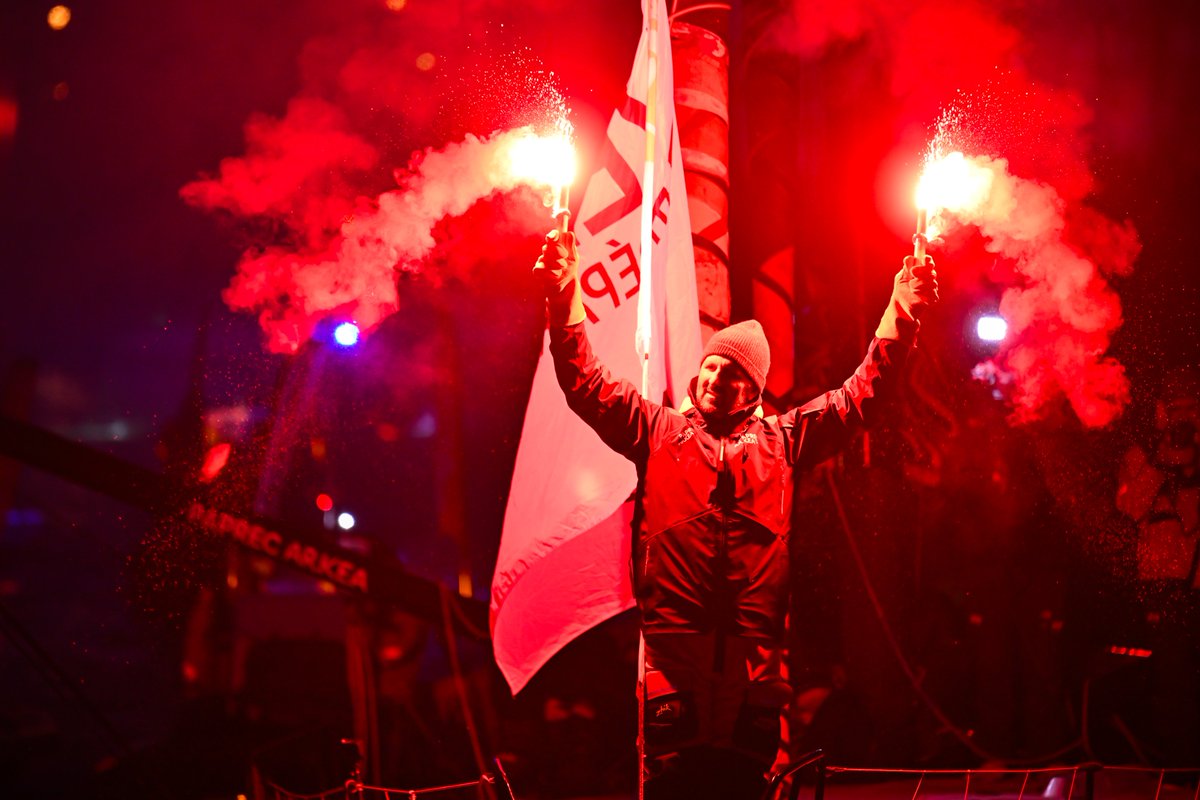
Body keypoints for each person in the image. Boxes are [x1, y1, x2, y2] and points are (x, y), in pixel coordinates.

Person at [534, 228, 938, 798]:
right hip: (675, 645)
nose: (718, 379)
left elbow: (862, 394)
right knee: (674, 782)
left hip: (755, 653)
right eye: (713, 367)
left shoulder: (785, 439)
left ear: (754, 391)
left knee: (746, 784)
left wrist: (903, 309)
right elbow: (583, 382)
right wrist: (562, 293)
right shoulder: (657, 431)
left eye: (736, 375)